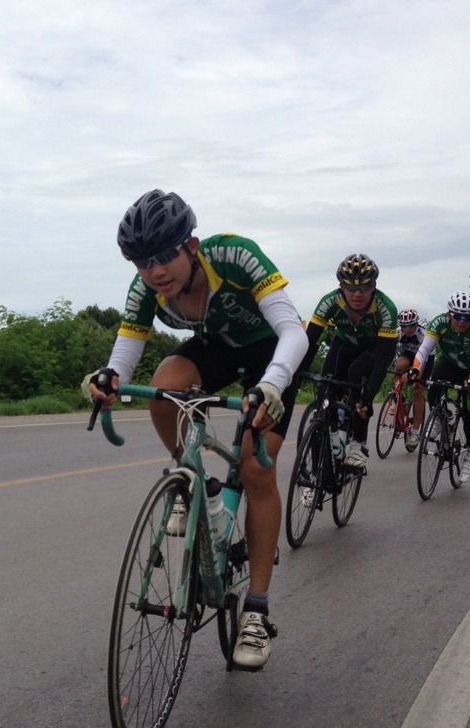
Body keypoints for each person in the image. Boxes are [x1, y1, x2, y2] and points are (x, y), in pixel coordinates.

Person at [86, 189, 308, 671]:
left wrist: (272, 385)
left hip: (272, 354)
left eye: (165, 255)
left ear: (191, 245)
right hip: (218, 348)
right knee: (163, 387)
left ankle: (256, 611)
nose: (155, 271)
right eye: (142, 261)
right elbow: (127, 347)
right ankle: (198, 487)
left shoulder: (235, 255)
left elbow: (293, 331)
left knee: (255, 467)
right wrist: (109, 377)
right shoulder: (145, 287)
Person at [301, 254, 398, 468]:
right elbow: (309, 342)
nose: (357, 294)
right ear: (341, 287)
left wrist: (367, 399)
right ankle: (327, 440)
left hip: (374, 348)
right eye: (351, 287)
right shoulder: (330, 301)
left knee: (357, 376)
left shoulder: (385, 308)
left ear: (373, 287)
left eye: (364, 287)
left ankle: (358, 443)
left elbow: (381, 363)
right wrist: (295, 376)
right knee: (324, 392)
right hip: (344, 343)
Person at [410, 291, 470, 483]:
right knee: (434, 385)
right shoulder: (440, 323)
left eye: (467, 317)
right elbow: (425, 348)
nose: (462, 321)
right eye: (457, 316)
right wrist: (415, 369)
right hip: (450, 364)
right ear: (449, 314)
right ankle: (441, 417)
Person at [394, 308, 431, 449]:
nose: (407, 329)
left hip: (424, 357)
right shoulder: (398, 333)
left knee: (417, 390)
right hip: (409, 354)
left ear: (416, 324)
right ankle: (397, 398)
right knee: (399, 366)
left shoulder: (423, 335)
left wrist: (414, 375)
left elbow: (423, 361)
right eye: (404, 326)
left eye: (411, 326)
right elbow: (388, 349)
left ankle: (415, 432)